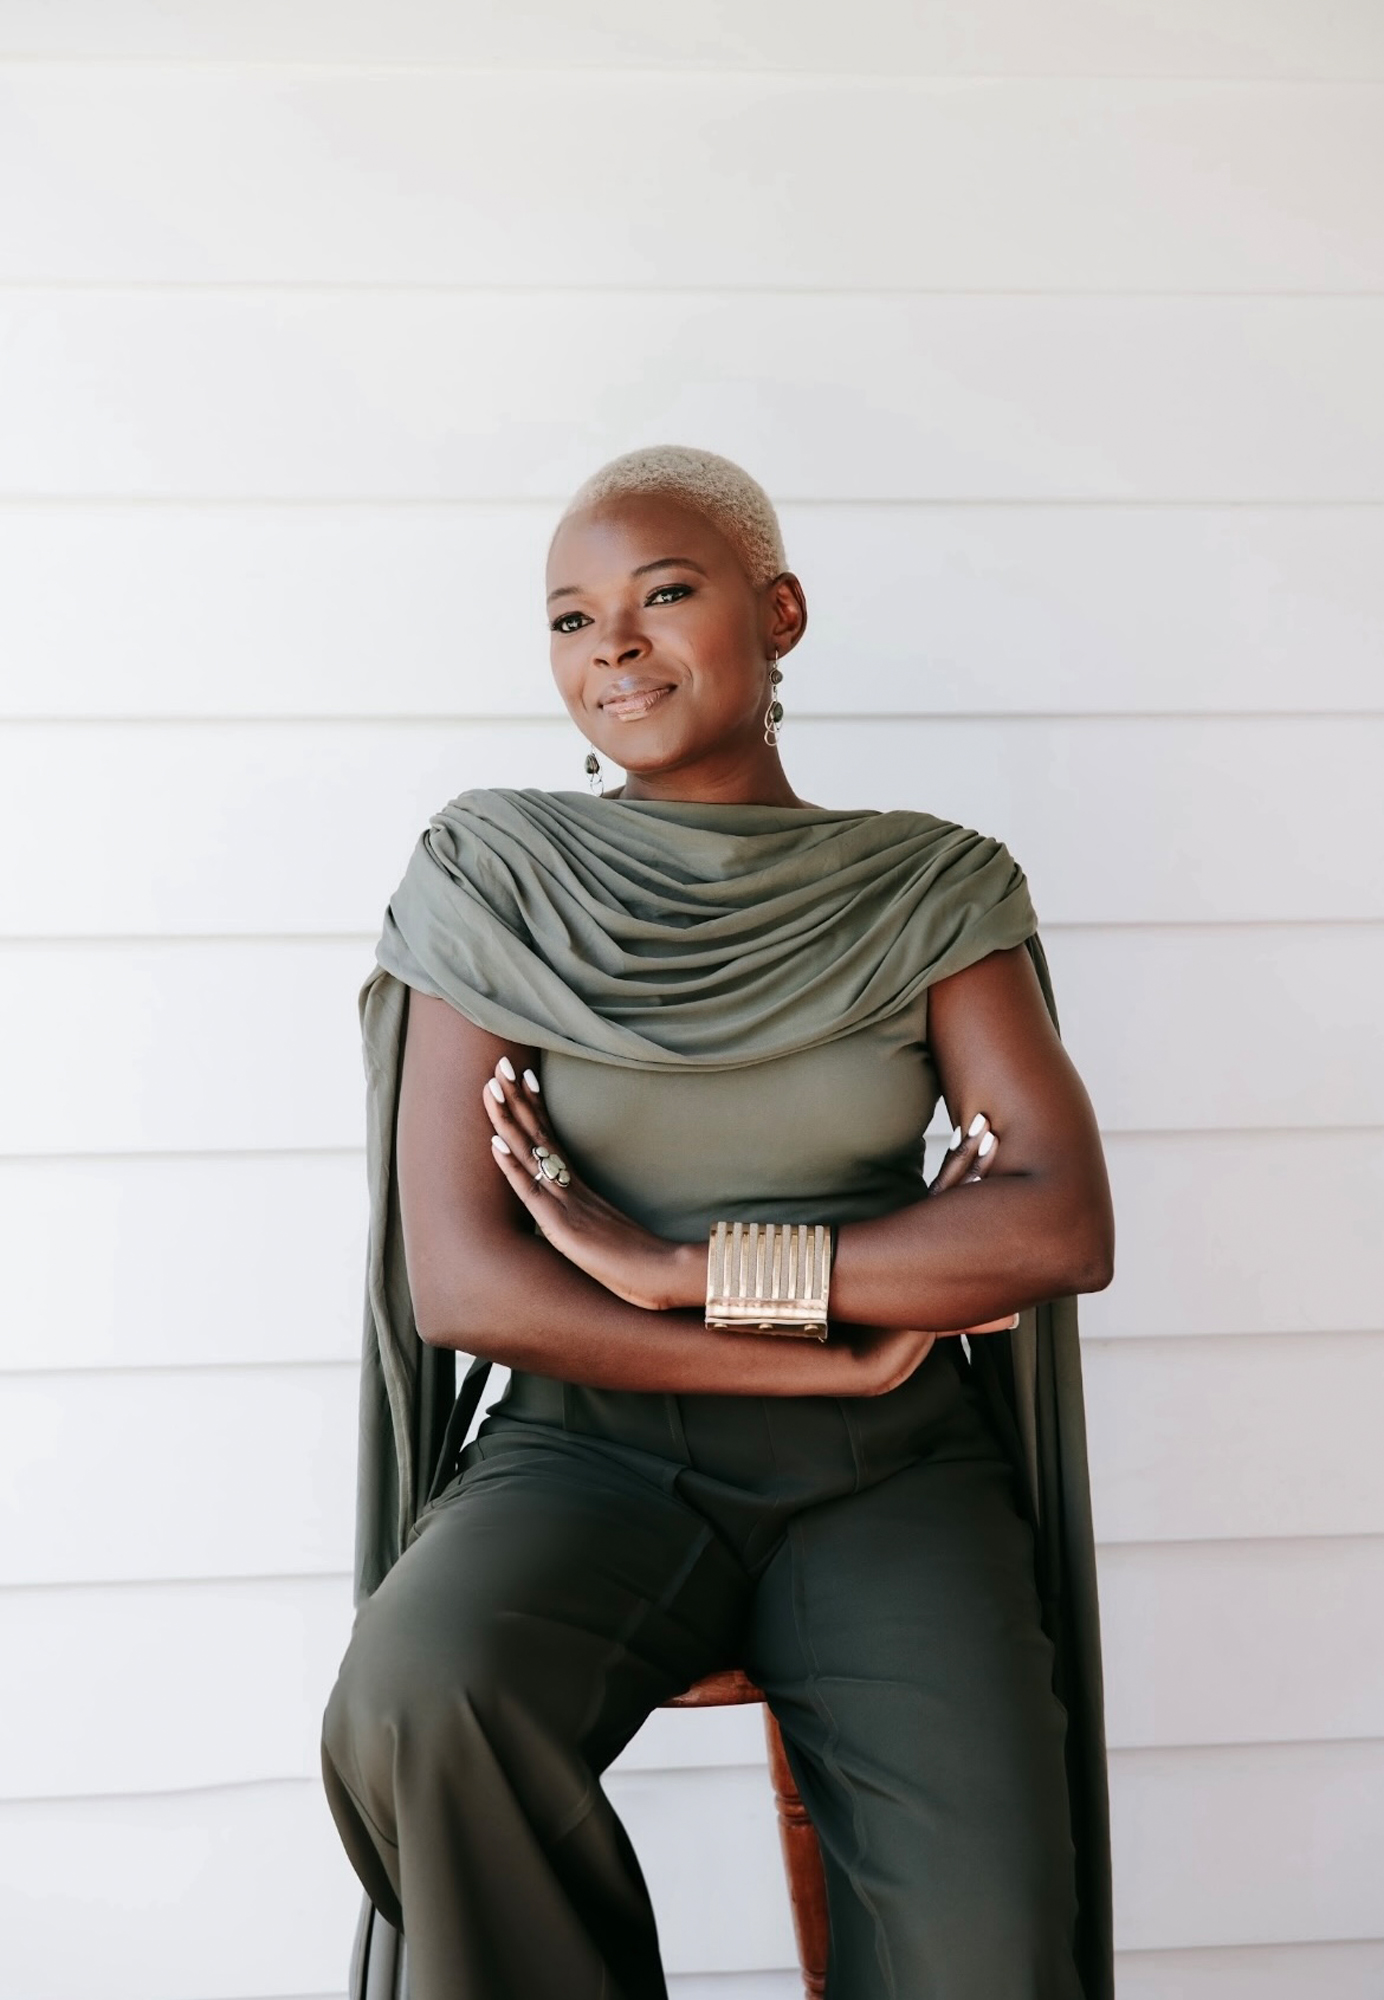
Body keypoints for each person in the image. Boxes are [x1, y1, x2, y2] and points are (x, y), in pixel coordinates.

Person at [321, 445, 1116, 2000]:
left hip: (891, 1485)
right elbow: (469, 1288)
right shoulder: (494, 877)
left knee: (987, 1953)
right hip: (586, 1449)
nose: (611, 644)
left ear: (782, 612)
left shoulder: (925, 889)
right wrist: (832, 1351)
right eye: (570, 618)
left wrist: (682, 1269)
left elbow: (1058, 1222)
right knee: (420, 1700)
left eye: (663, 594)